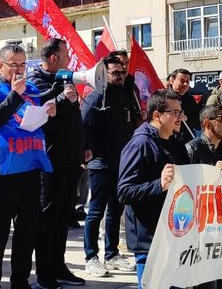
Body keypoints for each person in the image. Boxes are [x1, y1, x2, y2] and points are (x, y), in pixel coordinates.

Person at [0, 43, 55, 289]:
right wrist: (14, 94)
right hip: (3, 170)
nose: (19, 70)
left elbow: (36, 123)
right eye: (14, 65)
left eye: (23, 64)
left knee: (27, 231)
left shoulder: (30, 89)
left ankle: (20, 281)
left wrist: (48, 111)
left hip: (30, 166)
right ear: (1, 65)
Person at [29, 39, 87, 288]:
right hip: (50, 161)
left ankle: (59, 266)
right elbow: (41, 114)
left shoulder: (65, 79)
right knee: (48, 218)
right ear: (53, 57)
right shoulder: (37, 81)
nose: (69, 58)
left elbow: (74, 118)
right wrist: (63, 99)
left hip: (70, 159)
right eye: (65, 54)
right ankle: (44, 273)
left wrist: (84, 146)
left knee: (64, 217)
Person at [117, 89, 189, 288]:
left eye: (180, 112)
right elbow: (124, 191)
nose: (180, 118)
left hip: (174, 234)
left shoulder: (175, 143)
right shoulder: (139, 144)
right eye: (175, 113)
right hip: (150, 241)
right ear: (157, 115)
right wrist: (159, 184)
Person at [81, 55, 137, 277]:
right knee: (95, 211)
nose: (120, 76)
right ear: (104, 74)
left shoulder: (125, 96)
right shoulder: (96, 97)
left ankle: (112, 254)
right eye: (115, 73)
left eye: (122, 72)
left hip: (121, 163)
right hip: (100, 164)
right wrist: (87, 153)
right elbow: (83, 125)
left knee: (115, 210)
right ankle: (91, 256)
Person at [185, 105, 222, 289]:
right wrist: (213, 173)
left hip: (221, 226)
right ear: (207, 123)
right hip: (202, 230)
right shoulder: (192, 149)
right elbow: (187, 186)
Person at [167, 68, 200, 142]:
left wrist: (186, 118)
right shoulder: (163, 98)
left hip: (187, 140)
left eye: (187, 81)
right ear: (172, 81)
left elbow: (197, 120)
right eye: (182, 81)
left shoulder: (190, 99)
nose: (185, 84)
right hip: (168, 140)